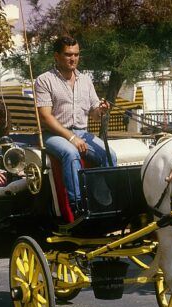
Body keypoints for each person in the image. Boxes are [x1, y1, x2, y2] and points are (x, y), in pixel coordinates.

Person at [35, 35, 117, 215]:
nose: (73, 58)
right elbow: (45, 117)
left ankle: (105, 202)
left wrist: (101, 110)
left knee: (110, 155)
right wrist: (71, 138)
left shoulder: (86, 80)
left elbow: (94, 115)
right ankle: (78, 206)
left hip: (82, 133)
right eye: (68, 54)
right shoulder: (44, 80)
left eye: (76, 54)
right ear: (56, 56)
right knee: (71, 153)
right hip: (53, 134)